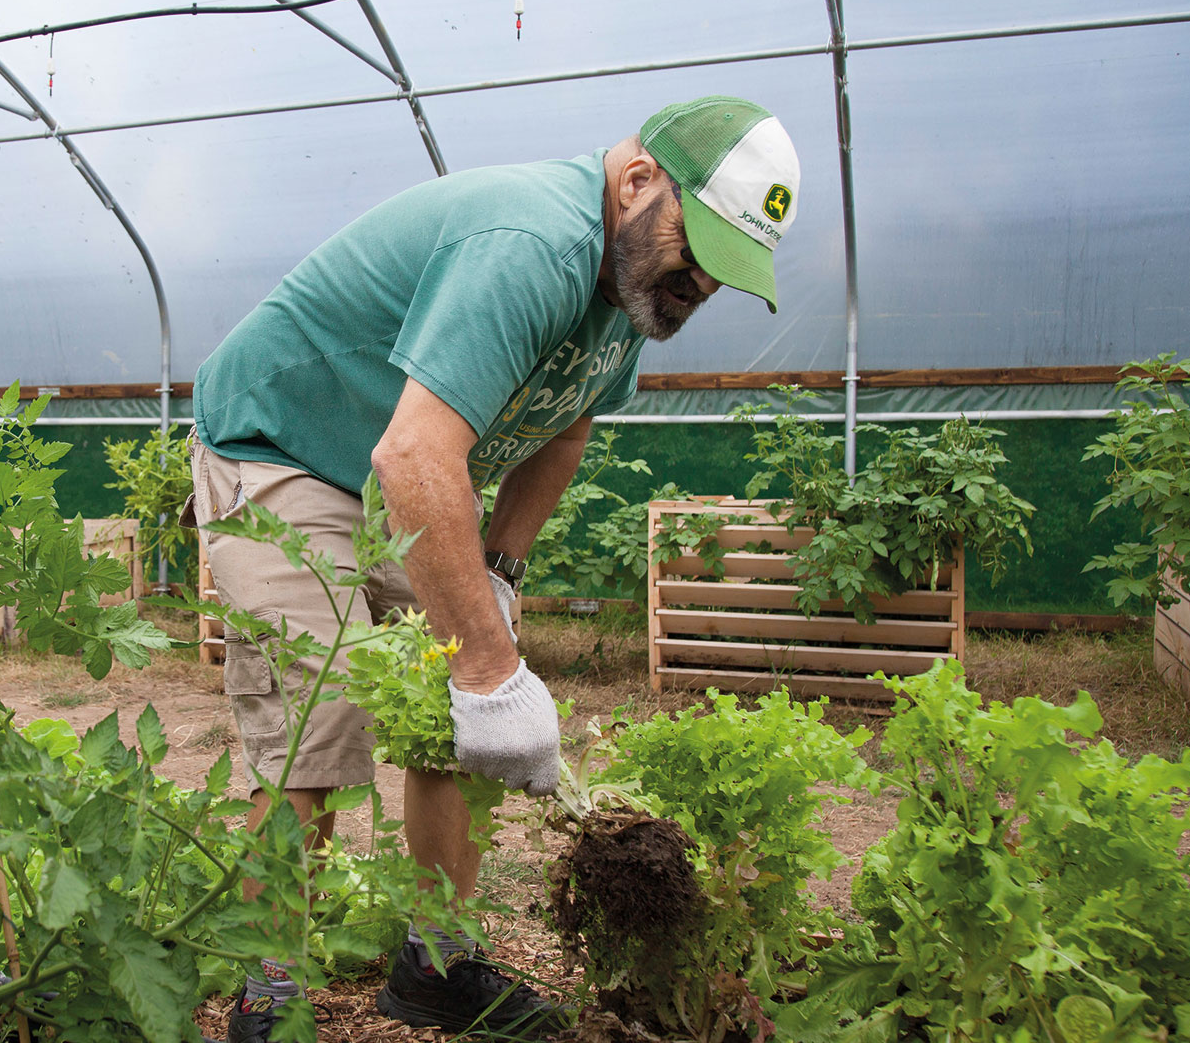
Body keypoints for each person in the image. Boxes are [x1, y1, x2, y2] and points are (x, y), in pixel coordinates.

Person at [187, 96, 801, 1041]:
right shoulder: (531, 244)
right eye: (697, 249)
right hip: (288, 444)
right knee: (318, 715)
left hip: (402, 462)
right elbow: (413, 461)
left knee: (450, 718)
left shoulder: (630, 284)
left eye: (727, 270)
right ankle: (271, 982)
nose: (702, 286)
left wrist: (500, 578)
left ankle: (437, 964)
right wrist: (487, 662)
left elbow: (568, 422)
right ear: (637, 181)